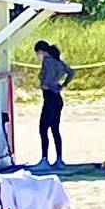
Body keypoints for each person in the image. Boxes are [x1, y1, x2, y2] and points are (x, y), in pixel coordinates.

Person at [34, 40, 74, 169]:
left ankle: (44, 159)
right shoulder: (57, 60)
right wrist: (63, 85)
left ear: (41, 51)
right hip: (57, 98)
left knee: (43, 128)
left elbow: (48, 77)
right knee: (55, 129)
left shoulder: (47, 61)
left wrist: (47, 85)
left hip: (50, 97)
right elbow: (70, 72)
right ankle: (59, 159)